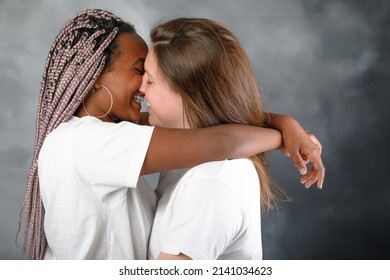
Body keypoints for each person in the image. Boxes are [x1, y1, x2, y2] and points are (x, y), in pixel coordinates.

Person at [20, 9, 323, 260]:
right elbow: (221, 139)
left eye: (149, 79)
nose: (142, 87)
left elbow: (204, 121)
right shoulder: (87, 142)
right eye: (139, 71)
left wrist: (285, 124)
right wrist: (281, 136)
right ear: (96, 78)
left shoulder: (97, 134)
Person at [142, 18, 324, 260]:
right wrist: (283, 129)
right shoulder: (190, 148)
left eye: (150, 80)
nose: (140, 88)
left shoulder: (212, 182)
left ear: (190, 95)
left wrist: (283, 130)